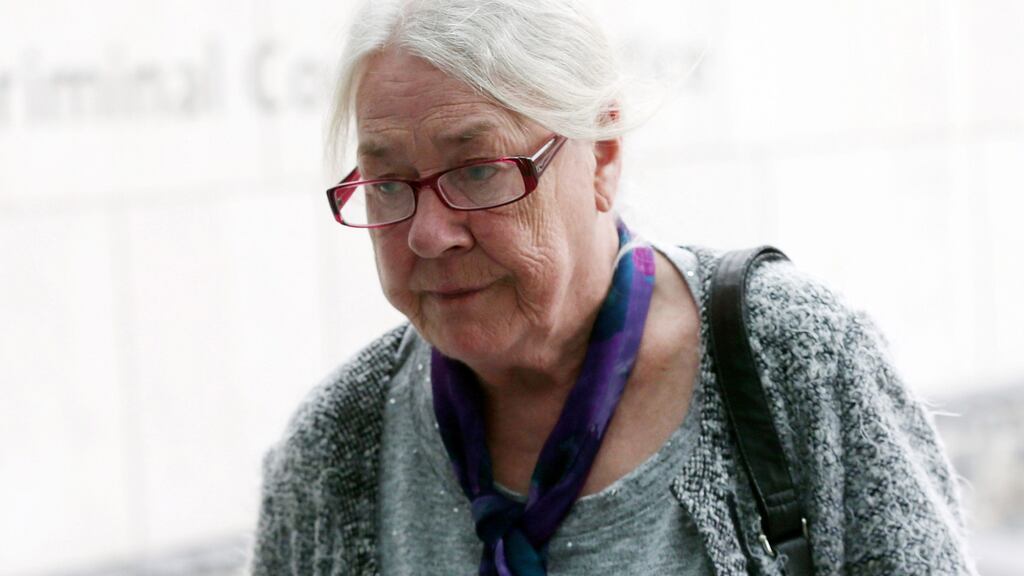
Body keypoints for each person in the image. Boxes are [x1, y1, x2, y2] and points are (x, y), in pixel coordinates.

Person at [251, 0, 976, 574]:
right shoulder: (333, 451)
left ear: (601, 154)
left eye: (477, 170)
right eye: (387, 183)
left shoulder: (795, 361)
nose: (429, 234)